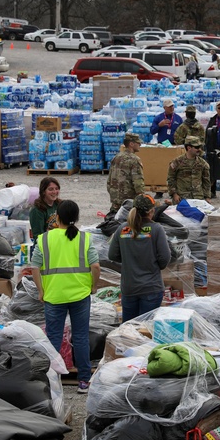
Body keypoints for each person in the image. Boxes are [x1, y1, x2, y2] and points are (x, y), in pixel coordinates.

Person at [30, 200, 100, 393]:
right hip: (80, 294)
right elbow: (95, 266)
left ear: (57, 217)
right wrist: (93, 286)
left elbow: (35, 266)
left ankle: (52, 381)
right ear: (76, 218)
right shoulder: (84, 238)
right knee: (80, 338)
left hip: (54, 296)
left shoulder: (45, 239)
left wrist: (40, 290)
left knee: (53, 338)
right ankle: (84, 381)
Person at [107, 194, 171, 322]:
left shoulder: (123, 229)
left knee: (129, 331)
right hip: (151, 288)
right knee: (146, 330)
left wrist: (128, 259)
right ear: (151, 211)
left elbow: (112, 255)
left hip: (129, 288)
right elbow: (164, 258)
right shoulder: (156, 229)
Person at [106, 133, 145, 216]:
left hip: (115, 200)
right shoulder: (135, 160)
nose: (140, 145)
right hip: (128, 201)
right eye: (138, 143)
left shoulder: (116, 157)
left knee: (114, 222)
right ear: (131, 144)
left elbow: (109, 180)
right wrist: (141, 197)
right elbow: (138, 182)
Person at [167, 136, 212, 203]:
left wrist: (207, 197)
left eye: (200, 147)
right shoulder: (177, 162)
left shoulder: (203, 164)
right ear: (189, 148)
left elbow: (206, 181)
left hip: (198, 198)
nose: (199, 149)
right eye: (196, 147)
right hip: (181, 198)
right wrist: (174, 194)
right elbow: (171, 179)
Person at [29, 177, 61, 244]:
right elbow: (38, 236)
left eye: (57, 189)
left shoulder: (59, 205)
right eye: (50, 189)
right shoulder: (37, 210)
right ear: (43, 191)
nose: (54, 192)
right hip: (44, 246)